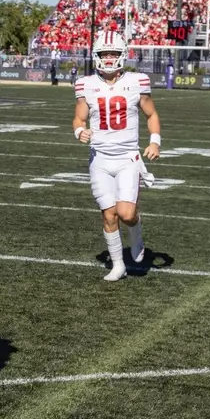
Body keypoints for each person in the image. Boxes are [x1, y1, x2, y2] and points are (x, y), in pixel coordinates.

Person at [72, 30, 161, 282]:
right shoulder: (85, 84)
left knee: (126, 214)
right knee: (108, 215)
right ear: (96, 56)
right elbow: (79, 117)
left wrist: (155, 142)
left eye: (113, 53)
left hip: (126, 158)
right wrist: (79, 130)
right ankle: (118, 264)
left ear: (122, 55)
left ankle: (137, 235)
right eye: (104, 54)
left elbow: (152, 115)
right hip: (99, 159)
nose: (109, 58)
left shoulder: (137, 81)